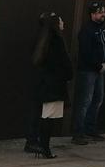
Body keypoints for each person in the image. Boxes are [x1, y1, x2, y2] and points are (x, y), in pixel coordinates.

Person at [30, 11, 73, 158]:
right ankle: (44, 147)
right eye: (60, 21)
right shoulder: (56, 41)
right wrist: (69, 75)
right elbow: (64, 62)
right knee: (48, 117)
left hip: (45, 83)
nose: (63, 23)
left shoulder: (43, 40)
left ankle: (39, 144)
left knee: (44, 115)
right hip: (54, 85)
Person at [73, 1, 105, 145]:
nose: (103, 15)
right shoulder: (87, 30)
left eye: (103, 12)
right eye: (100, 12)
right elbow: (86, 52)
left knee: (98, 98)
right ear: (92, 14)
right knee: (85, 101)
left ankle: (90, 128)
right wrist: (97, 64)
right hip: (88, 70)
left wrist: (104, 62)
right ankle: (78, 132)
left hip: (100, 69)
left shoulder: (103, 30)